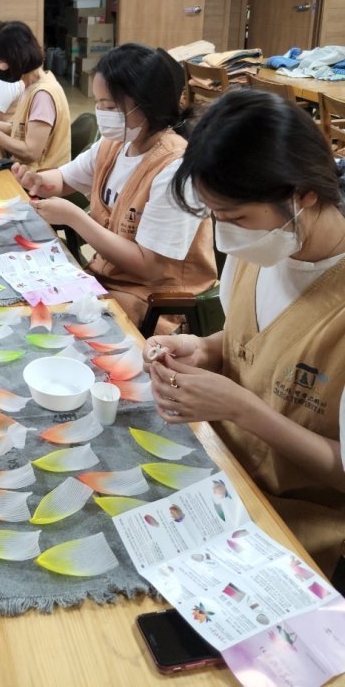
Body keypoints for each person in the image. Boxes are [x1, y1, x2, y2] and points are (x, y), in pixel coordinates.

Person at [145, 89, 345, 579]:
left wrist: (238, 407)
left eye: (236, 218)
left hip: (293, 521)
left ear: (303, 196)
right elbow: (254, 342)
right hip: (219, 470)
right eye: (216, 216)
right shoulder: (262, 249)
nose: (224, 234)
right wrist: (203, 350)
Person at [14, 43, 217, 327]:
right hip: (107, 281)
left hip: (152, 302)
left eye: (109, 106)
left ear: (148, 104)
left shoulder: (175, 168)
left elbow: (149, 266)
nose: (101, 113)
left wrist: (74, 218)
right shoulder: (116, 143)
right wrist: (38, 180)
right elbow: (64, 179)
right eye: (97, 103)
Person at [0, 20, 70, 170]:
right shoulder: (32, 84)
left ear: (16, 59)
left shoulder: (42, 95)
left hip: (39, 179)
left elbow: (31, 152)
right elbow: (19, 129)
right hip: (24, 170)